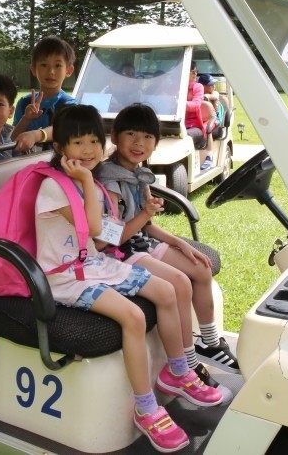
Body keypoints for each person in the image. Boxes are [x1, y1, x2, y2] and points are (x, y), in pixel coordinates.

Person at [35, 104, 221, 452]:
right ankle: (146, 408)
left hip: (94, 264)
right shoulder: (56, 188)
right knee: (134, 316)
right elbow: (96, 229)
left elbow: (110, 235)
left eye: (94, 141)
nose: (88, 150)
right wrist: (87, 181)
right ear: (60, 148)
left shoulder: (90, 184)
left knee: (167, 291)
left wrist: (145, 218)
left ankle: (178, 370)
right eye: (78, 142)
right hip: (67, 277)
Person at [97, 103, 240, 375]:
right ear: (114, 136)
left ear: (156, 144)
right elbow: (112, 238)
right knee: (180, 283)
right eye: (131, 134)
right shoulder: (109, 181)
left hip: (141, 243)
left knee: (201, 266)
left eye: (147, 137)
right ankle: (188, 360)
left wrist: (180, 244)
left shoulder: (138, 174)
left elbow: (148, 226)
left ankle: (210, 343)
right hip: (121, 252)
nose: (139, 143)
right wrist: (146, 214)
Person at [12, 36, 76, 151]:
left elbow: (62, 129)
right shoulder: (24, 103)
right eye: (44, 65)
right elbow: (13, 139)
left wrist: (36, 135)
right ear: (33, 69)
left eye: (57, 65)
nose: (51, 72)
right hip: (25, 161)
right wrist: (26, 119)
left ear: (68, 71)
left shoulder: (69, 105)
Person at [184, 64, 206, 153]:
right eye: (193, 72)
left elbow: (196, 105)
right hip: (175, 125)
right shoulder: (176, 86)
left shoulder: (198, 87)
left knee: (184, 137)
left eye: (196, 72)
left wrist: (179, 104)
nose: (195, 74)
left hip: (193, 126)